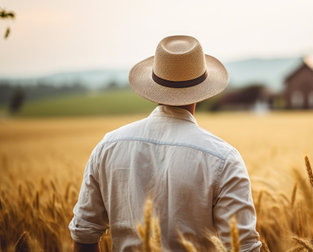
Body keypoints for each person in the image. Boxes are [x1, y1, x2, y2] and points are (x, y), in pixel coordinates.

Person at [69, 35, 261, 251]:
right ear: (202, 90)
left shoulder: (107, 147)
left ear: (154, 86)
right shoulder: (224, 159)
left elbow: (83, 234)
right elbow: (244, 247)